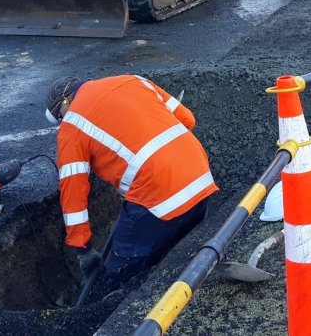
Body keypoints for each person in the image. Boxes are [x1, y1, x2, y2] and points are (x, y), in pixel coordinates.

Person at [46, 75, 217, 291]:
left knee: (123, 269)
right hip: (199, 176)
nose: (62, 121)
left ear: (64, 104)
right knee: (180, 253)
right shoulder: (133, 80)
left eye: (58, 117)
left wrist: (82, 249)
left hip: (159, 196)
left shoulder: (71, 126)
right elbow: (188, 120)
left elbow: (73, 193)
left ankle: (115, 309)